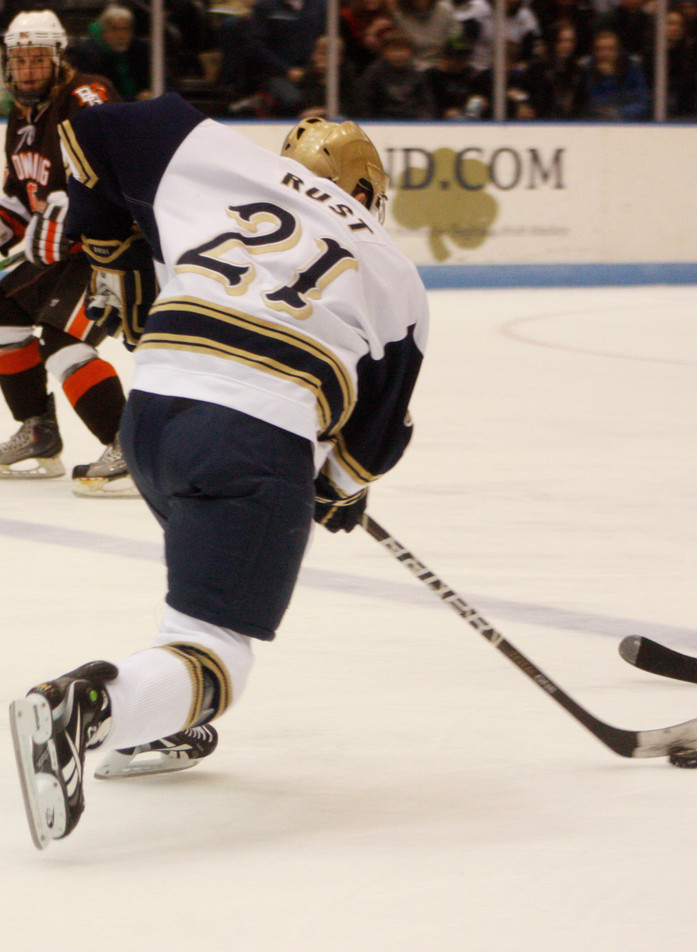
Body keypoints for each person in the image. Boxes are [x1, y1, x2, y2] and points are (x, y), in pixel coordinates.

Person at [9, 98, 429, 849]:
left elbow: (91, 131)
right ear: (366, 189)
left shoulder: (232, 175)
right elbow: (372, 444)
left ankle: (160, 716)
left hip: (150, 415)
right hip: (249, 437)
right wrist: (332, 493)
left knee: (198, 580)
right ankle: (96, 709)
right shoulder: (394, 271)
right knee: (221, 649)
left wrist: (114, 256)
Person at [0, 9, 135, 495]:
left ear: (58, 58)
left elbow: (119, 161)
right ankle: (38, 431)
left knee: (62, 342)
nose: (28, 70)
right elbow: (20, 199)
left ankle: (128, 447)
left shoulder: (86, 94)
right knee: (2, 313)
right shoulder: (21, 118)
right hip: (62, 253)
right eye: (19, 60)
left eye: (38, 59)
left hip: (109, 246)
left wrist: (75, 203)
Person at [66, 4, 153, 101]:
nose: (121, 35)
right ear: (104, 31)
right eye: (115, 29)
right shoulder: (87, 55)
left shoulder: (141, 50)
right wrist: (135, 99)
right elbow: (95, 95)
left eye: (126, 29)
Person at [357, 26, 436, 117]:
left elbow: (426, 102)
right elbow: (365, 102)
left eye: (402, 50)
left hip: (412, 120)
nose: (398, 54)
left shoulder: (417, 72)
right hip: (382, 120)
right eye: (393, 50)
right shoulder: (373, 73)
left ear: (410, 51)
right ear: (384, 52)